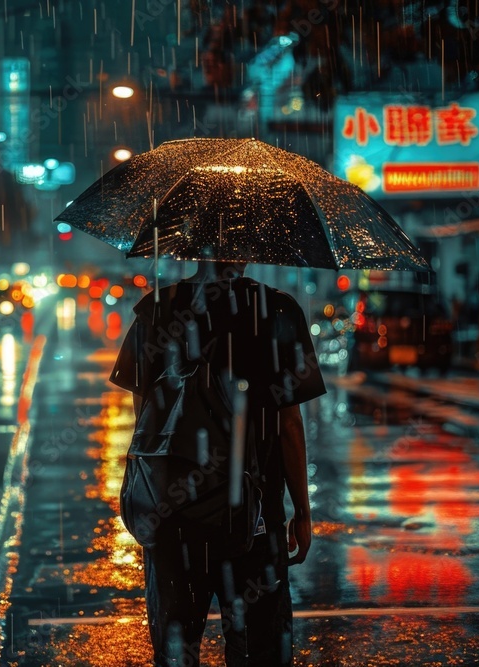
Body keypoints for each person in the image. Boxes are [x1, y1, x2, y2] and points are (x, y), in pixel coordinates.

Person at [109, 258, 326, 666]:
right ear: (245, 252)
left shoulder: (156, 310)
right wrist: (301, 510)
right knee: (258, 648)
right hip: (252, 516)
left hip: (173, 514)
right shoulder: (277, 310)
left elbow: (145, 419)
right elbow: (289, 425)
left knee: (177, 648)